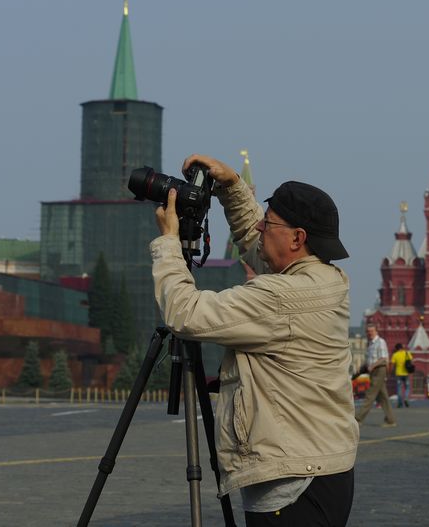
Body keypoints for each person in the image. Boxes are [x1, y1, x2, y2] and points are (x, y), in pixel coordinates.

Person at [151, 154, 358, 526]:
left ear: (298, 238)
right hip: (320, 468)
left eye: (271, 222)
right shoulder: (324, 280)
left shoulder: (283, 298)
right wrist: (232, 188)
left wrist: (168, 244)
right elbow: (256, 242)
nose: (261, 227)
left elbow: (185, 314)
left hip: (293, 483)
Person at [355, 325, 397, 426]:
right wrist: (362, 367)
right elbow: (370, 359)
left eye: (372, 331)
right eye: (368, 331)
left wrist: (372, 366)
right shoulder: (370, 344)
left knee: (370, 394)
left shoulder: (380, 342)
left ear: (376, 331)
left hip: (379, 370)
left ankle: (358, 419)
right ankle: (391, 420)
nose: (370, 333)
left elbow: (383, 358)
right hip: (373, 371)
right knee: (383, 397)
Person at [390, 343, 413, 408]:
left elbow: (392, 364)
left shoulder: (395, 355)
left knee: (399, 388)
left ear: (396, 348)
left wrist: (390, 372)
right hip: (406, 373)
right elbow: (411, 361)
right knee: (407, 387)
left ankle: (400, 403)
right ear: (402, 347)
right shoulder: (407, 353)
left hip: (398, 374)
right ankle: (405, 398)